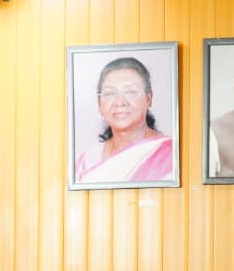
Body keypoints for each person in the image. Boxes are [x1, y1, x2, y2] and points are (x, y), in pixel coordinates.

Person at [74, 56, 174, 184]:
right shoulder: (87, 161)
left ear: (149, 99)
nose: (120, 102)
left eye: (131, 91)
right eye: (110, 93)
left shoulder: (171, 153)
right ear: (99, 104)